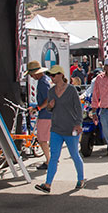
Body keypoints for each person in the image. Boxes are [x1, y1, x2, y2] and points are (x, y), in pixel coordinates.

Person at [34, 65, 84, 193]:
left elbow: (79, 108)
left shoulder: (71, 90)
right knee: (54, 157)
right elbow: (50, 110)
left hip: (70, 128)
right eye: (50, 75)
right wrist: (50, 107)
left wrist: (78, 124)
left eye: (54, 75)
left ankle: (81, 179)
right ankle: (48, 184)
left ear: (61, 75)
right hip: (56, 128)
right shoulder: (51, 91)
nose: (52, 77)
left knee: (74, 155)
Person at [26, 61, 52, 170]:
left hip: (46, 114)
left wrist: (37, 108)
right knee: (49, 138)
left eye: (31, 74)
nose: (31, 77)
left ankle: (49, 161)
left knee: (42, 139)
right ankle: (52, 159)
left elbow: (48, 99)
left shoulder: (42, 82)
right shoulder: (46, 80)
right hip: (50, 113)